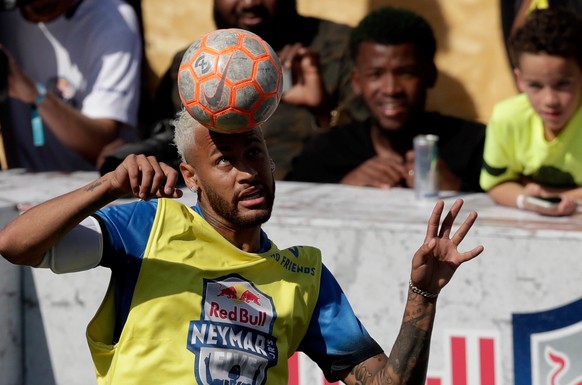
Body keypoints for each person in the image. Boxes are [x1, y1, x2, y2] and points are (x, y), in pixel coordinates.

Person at [0, 106, 483, 384]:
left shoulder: (304, 276)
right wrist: (105, 188)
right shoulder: (147, 227)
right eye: (225, 160)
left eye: (254, 152)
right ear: (190, 175)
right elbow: (17, 245)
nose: (248, 171)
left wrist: (424, 295)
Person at [100, 0, 366, 180]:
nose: (250, 3)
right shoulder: (192, 65)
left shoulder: (340, 48)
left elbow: (377, 147)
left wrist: (323, 114)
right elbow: (164, 140)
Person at [284, 6, 486, 192]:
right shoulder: (327, 152)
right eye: (375, 74)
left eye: (405, 73)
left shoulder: (475, 147)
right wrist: (344, 189)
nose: (391, 89)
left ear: (430, 75)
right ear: (356, 81)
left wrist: (459, 190)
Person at [0, 0, 142, 171]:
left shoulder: (111, 20)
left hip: (90, 183)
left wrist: (34, 93)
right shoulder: (7, 14)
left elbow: (102, 144)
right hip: (21, 185)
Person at [480, 7, 582, 216]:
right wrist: (527, 201)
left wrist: (551, 196)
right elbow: (496, 185)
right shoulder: (506, 118)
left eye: (563, 84)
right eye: (535, 85)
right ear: (520, 80)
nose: (550, 100)